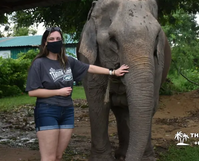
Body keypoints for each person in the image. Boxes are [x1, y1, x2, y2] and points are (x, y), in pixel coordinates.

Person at [25, 27, 129, 161]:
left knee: (58, 156)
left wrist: (112, 72)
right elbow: (32, 92)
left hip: (67, 112)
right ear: (45, 42)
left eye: (58, 39)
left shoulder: (67, 61)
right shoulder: (39, 63)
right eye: (51, 39)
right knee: (49, 158)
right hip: (47, 111)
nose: (55, 41)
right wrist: (58, 92)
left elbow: (89, 67)